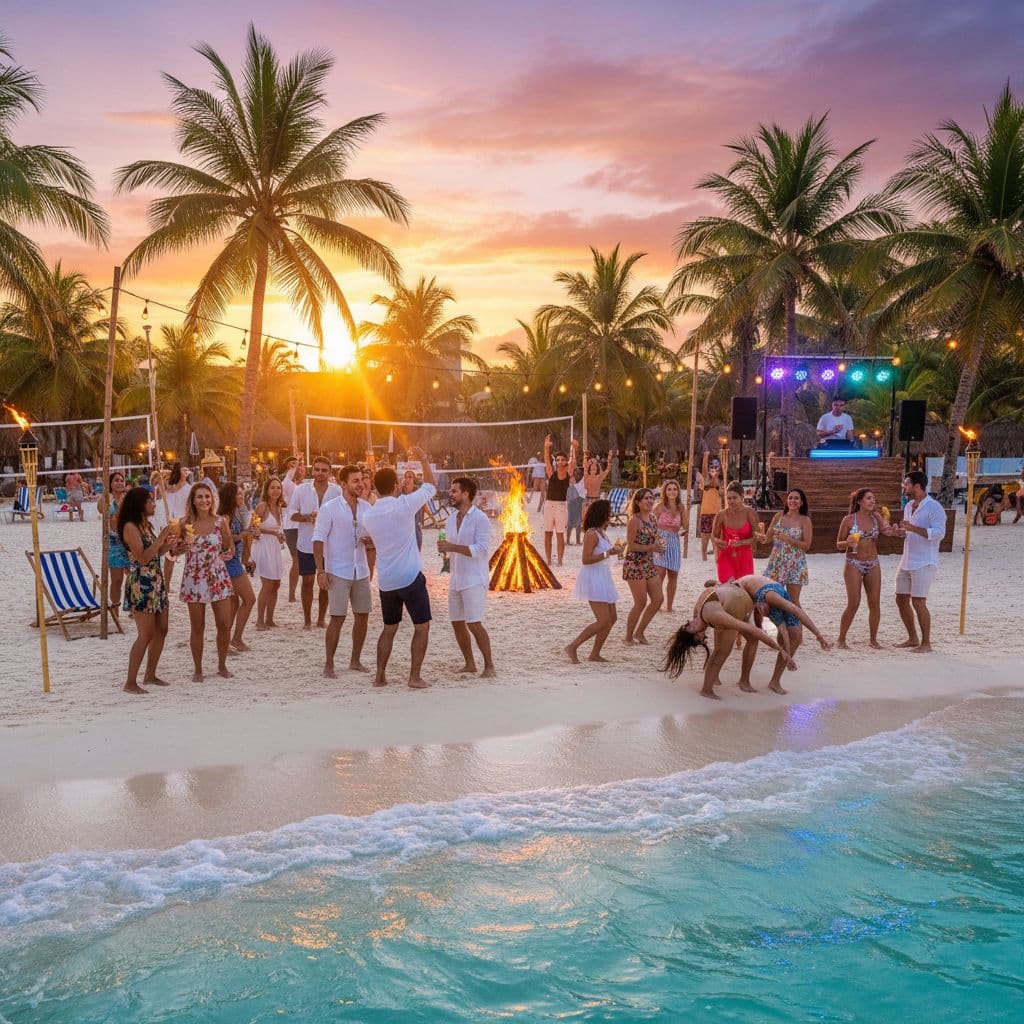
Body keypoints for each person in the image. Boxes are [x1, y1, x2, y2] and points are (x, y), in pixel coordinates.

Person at [361, 447, 436, 688]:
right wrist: (424, 459)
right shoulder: (404, 504)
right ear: (395, 486)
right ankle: (414, 677)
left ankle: (380, 676)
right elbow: (431, 487)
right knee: (421, 626)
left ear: (376, 487)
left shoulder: (369, 516)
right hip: (410, 576)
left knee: (389, 628)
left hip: (386, 580)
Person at [664, 582, 795, 699]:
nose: (704, 638)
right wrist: (781, 650)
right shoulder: (703, 612)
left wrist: (781, 650)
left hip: (738, 602)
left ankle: (711, 687)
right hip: (737, 598)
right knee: (722, 652)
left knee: (723, 651)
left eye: (701, 639)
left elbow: (751, 630)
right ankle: (709, 688)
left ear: (695, 634)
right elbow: (713, 590)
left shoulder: (710, 615)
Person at [725, 575, 833, 694]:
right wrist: (787, 654)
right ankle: (744, 680)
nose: (761, 611)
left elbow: (796, 614)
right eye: (760, 610)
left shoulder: (773, 602)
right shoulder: (765, 603)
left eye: (763, 611)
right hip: (740, 589)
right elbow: (780, 629)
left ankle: (775, 682)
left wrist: (819, 636)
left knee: (796, 636)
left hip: (773, 594)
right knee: (753, 638)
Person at [312, 464, 372, 678]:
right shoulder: (330, 508)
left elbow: (375, 536)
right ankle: (329, 664)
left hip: (361, 569)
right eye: (355, 481)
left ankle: (355, 660)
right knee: (337, 617)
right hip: (337, 569)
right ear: (343, 484)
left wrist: (371, 542)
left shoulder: (367, 508)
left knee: (362, 616)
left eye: (362, 480)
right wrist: (320, 571)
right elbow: (318, 540)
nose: (361, 484)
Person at [118, 486, 175, 695]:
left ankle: (150, 674)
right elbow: (142, 557)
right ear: (140, 504)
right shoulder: (130, 527)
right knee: (146, 634)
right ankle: (130, 682)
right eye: (150, 500)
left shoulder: (145, 525)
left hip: (156, 580)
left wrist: (170, 546)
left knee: (162, 629)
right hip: (141, 583)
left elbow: (155, 553)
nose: (154, 504)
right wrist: (161, 538)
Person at [439, 476, 495, 677]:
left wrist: (452, 547)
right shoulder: (451, 519)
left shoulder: (480, 518)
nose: (450, 494)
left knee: (473, 623)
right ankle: (470, 663)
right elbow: (450, 546)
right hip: (456, 578)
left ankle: (489, 666)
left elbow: (482, 549)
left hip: (474, 579)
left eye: (454, 491)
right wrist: (445, 551)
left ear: (466, 494)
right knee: (457, 622)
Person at [179, 481, 235, 681]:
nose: (204, 500)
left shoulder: (221, 521)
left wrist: (228, 551)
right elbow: (174, 551)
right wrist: (181, 546)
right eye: (200, 497)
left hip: (217, 576)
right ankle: (198, 669)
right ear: (193, 501)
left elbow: (228, 547)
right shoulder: (184, 524)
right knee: (198, 626)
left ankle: (222, 665)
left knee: (224, 624)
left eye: (207, 496)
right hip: (194, 577)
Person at [836, 487, 899, 649]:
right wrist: (847, 543)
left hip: (873, 563)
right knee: (854, 603)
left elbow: (887, 531)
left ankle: (873, 640)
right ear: (859, 501)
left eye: (873, 498)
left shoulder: (876, 517)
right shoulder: (849, 520)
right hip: (854, 563)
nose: (873, 501)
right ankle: (841, 639)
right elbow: (838, 545)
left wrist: (895, 530)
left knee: (875, 603)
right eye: (869, 498)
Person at [893, 470, 947, 653]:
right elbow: (908, 531)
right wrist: (900, 531)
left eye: (906, 484)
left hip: (925, 561)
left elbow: (939, 534)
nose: (903, 487)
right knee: (901, 599)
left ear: (917, 486)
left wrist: (912, 528)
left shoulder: (934, 507)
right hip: (907, 559)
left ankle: (926, 643)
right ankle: (912, 638)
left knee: (918, 601)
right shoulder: (909, 506)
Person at [565, 499, 624, 663]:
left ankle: (595, 653)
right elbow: (586, 559)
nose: (611, 515)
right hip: (593, 577)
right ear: (602, 514)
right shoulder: (592, 533)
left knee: (612, 618)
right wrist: (608, 553)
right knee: (603, 620)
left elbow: (604, 554)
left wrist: (616, 551)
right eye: (609, 512)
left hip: (604, 575)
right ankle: (573, 646)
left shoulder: (601, 532)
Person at [292, 455, 342, 629]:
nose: (320, 473)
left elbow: (343, 514)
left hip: (329, 544)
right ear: (313, 470)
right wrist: (307, 517)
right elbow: (291, 514)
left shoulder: (337, 491)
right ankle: (307, 620)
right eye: (317, 469)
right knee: (307, 581)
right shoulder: (301, 490)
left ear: (330, 473)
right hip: (306, 542)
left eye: (324, 470)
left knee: (325, 582)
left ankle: (321, 619)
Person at [622, 487, 665, 644]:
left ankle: (639, 633)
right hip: (634, 563)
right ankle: (628, 636)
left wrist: (658, 545)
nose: (650, 501)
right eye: (646, 498)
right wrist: (651, 547)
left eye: (651, 498)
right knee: (640, 602)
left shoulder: (653, 518)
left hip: (648, 562)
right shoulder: (634, 520)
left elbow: (655, 537)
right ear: (638, 502)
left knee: (658, 599)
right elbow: (631, 546)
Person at [218, 482, 256, 652]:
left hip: (234, 560)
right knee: (249, 599)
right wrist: (243, 534)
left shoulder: (237, 513)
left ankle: (227, 641)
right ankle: (236, 638)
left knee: (233, 603)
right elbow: (223, 539)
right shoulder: (225, 516)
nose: (242, 497)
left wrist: (246, 559)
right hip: (229, 562)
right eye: (238, 494)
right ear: (230, 497)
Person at [758, 488, 812, 604]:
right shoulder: (778, 516)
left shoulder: (805, 520)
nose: (793, 501)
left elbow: (807, 545)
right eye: (790, 498)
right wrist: (761, 538)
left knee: (793, 602)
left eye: (796, 498)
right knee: (770, 598)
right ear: (787, 501)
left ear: (802, 502)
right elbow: (767, 538)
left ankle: (797, 618)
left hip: (795, 564)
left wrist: (788, 539)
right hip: (776, 563)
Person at [252, 476, 287, 630]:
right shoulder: (262, 506)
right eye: (272, 487)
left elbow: (278, 529)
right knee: (267, 585)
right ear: (266, 490)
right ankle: (259, 621)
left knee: (276, 584)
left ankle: (269, 619)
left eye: (278, 488)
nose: (276, 491)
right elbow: (253, 528)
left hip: (275, 548)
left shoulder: (279, 507)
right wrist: (273, 533)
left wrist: (280, 536)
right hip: (263, 547)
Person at [542, 433, 580, 567]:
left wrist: (574, 448)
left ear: (565, 461)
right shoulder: (551, 473)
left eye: (562, 459)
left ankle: (559, 561)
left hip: (561, 506)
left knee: (559, 534)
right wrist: (546, 448)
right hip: (549, 505)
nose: (559, 461)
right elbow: (547, 461)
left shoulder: (568, 473)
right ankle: (548, 560)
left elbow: (573, 462)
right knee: (547, 534)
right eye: (557, 460)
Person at [712, 481, 758, 583]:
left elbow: (756, 537)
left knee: (744, 588)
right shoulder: (721, 515)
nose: (731, 501)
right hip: (726, 556)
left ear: (742, 497)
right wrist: (723, 543)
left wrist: (741, 543)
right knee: (727, 587)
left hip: (745, 557)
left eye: (734, 498)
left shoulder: (750, 513)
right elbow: (713, 537)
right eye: (729, 498)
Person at [100, 471, 130, 610]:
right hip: (114, 542)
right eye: (116, 480)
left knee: (133, 576)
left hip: (129, 540)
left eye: (122, 480)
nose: (120, 483)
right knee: (117, 580)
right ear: (110, 484)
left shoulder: (128, 499)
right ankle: (115, 609)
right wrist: (107, 495)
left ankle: (133, 608)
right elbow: (101, 509)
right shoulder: (107, 499)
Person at [653, 479, 683, 612]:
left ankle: (669, 606)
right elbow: (651, 524)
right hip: (661, 539)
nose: (672, 492)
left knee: (673, 574)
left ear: (678, 491)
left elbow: (685, 525)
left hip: (674, 541)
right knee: (660, 574)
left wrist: (683, 530)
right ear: (665, 491)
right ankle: (656, 603)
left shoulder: (681, 507)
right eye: (669, 489)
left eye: (674, 489)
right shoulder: (659, 507)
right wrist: (655, 541)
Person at [162, 463, 192, 590]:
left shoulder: (189, 489)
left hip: (184, 524)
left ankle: (189, 583)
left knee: (188, 553)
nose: (186, 472)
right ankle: (166, 585)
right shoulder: (169, 487)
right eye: (184, 469)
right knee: (170, 555)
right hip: (171, 523)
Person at [282, 456, 305, 602]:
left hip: (302, 525)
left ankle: (298, 592)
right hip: (292, 527)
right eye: (296, 466)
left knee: (303, 560)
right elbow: (287, 479)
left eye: (301, 466)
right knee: (297, 560)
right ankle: (291, 594)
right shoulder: (288, 484)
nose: (299, 468)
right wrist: (293, 467)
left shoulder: (302, 485)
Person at [698, 453, 722, 560]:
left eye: (716, 468)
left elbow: (717, 486)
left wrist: (715, 475)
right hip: (706, 512)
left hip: (717, 513)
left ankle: (717, 558)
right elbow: (704, 471)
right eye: (712, 467)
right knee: (705, 537)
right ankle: (704, 558)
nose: (714, 470)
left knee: (715, 537)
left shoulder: (720, 482)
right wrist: (705, 457)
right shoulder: (704, 480)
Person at [401, 468, 425, 550]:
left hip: (415, 526)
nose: (407, 479)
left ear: (414, 479)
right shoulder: (400, 491)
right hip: (403, 527)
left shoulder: (418, 491)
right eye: (406, 477)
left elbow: (423, 506)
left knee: (417, 549)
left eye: (410, 477)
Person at [566, 467, 585, 546]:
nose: (578, 475)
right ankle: (567, 540)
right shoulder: (571, 483)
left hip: (579, 504)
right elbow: (568, 496)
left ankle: (578, 541)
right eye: (576, 474)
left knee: (578, 523)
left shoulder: (582, 482)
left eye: (580, 474)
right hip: (571, 504)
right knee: (570, 522)